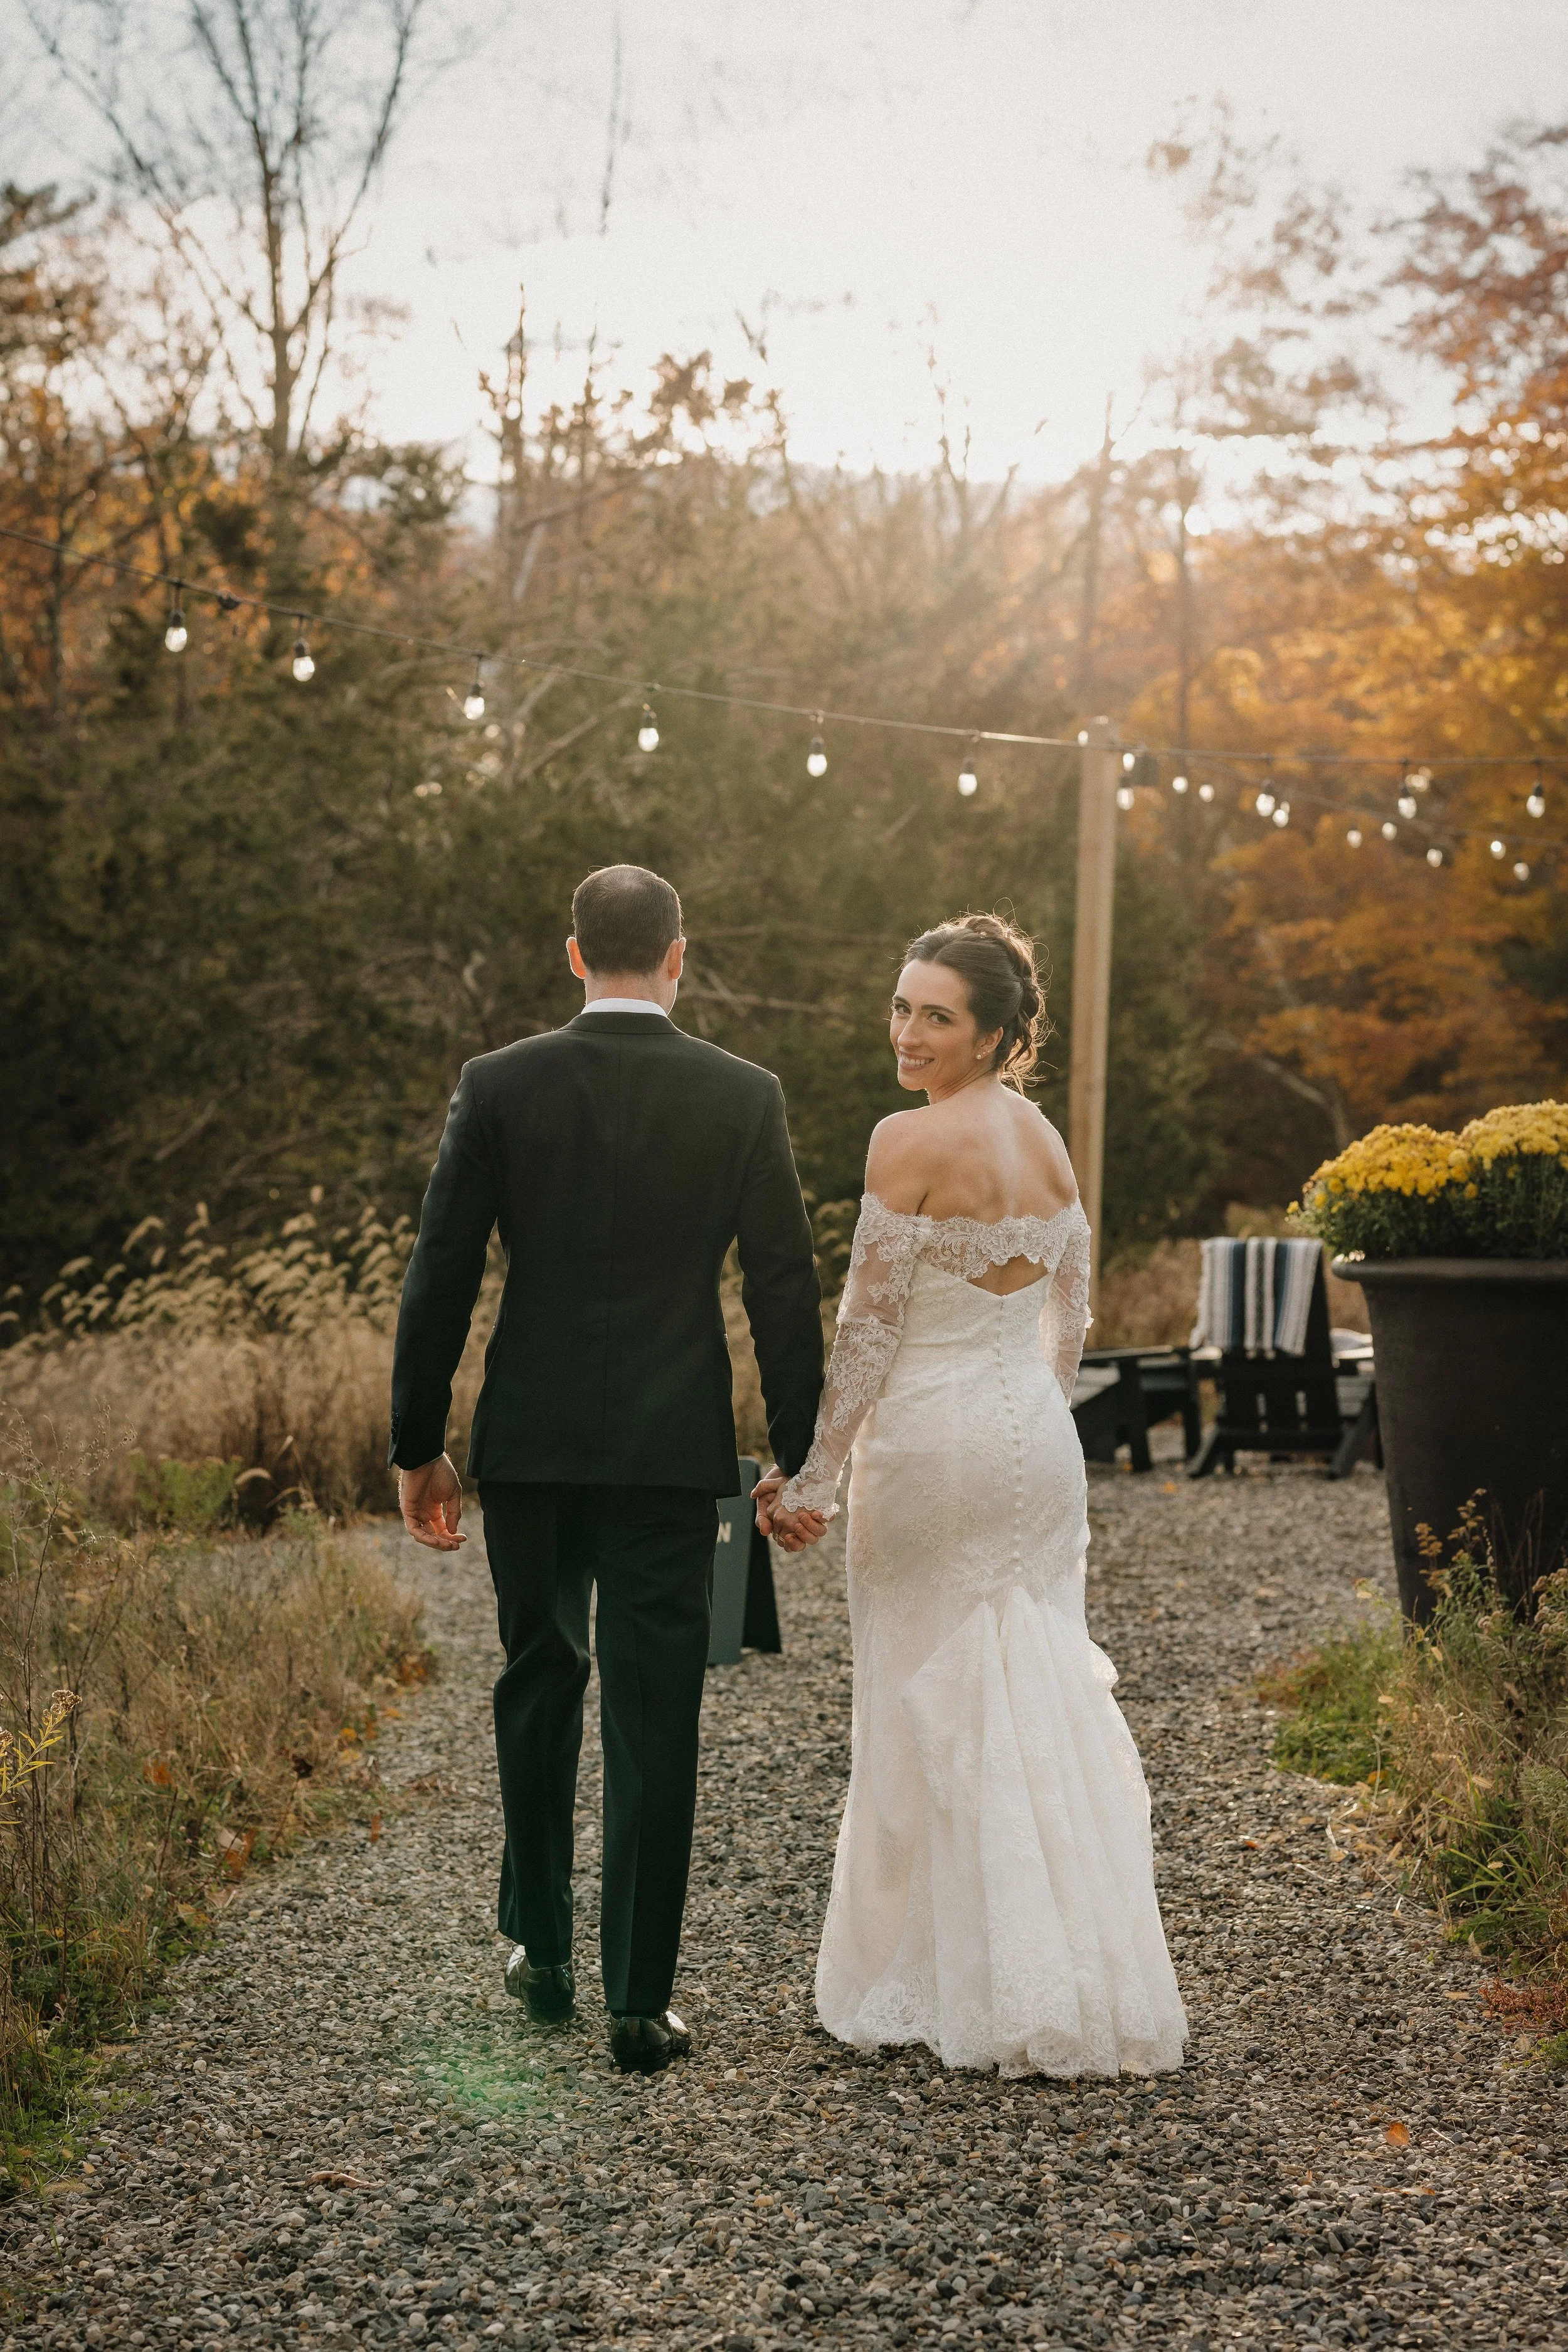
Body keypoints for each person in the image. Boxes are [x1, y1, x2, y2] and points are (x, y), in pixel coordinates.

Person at [389, 865, 824, 2075]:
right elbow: (784, 1286)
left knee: (539, 1675)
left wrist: (417, 1442)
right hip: (671, 1449)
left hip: (528, 1440)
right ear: (678, 956)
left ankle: (543, 1953)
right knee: (654, 1702)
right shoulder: (744, 1094)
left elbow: (440, 1274)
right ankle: (638, 1999)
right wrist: (804, 1451)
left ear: (574, 954)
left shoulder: (500, 1083)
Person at [755, 913, 1187, 2077]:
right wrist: (1027, 1412)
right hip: (1032, 1443)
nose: (908, 1032)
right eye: (901, 1006)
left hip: (933, 1446)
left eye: (935, 1015)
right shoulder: (1047, 1142)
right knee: (1027, 1675)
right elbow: (1072, 1315)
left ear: (993, 1031)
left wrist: (818, 1478)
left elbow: (867, 1330)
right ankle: (1065, 1968)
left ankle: (937, 1978)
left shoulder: (907, 1140)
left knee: (916, 1687)